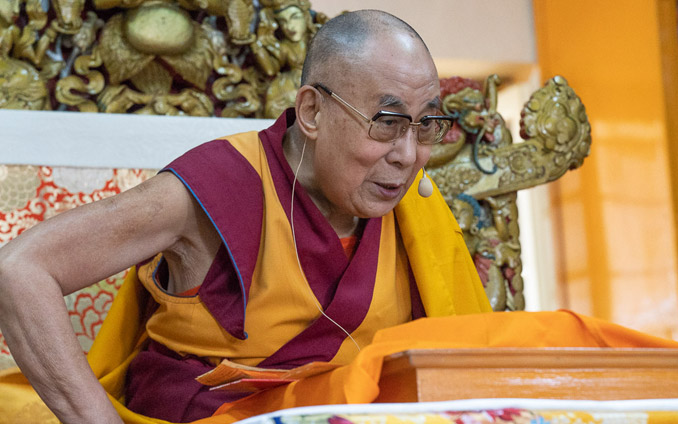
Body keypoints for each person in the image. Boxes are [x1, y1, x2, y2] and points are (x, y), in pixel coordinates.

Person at [0, 9, 491, 424]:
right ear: (313, 112)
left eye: (427, 123)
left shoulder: (415, 207)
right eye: (386, 124)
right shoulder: (219, 186)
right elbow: (20, 269)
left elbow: (461, 360)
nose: (408, 155)